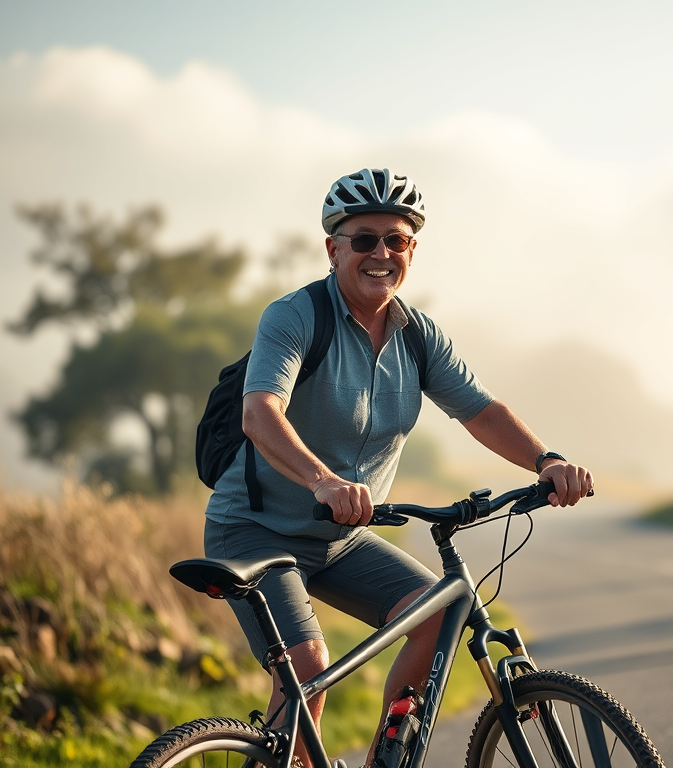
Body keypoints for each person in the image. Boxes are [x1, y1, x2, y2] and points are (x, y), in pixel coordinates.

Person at [203, 168, 594, 767]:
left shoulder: (417, 335)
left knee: (437, 616)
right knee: (307, 668)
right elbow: (261, 414)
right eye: (364, 240)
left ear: (412, 249)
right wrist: (324, 481)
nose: (381, 253)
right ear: (333, 248)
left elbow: (482, 411)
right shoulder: (297, 317)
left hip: (340, 539)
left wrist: (547, 459)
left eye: (397, 239)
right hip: (254, 532)